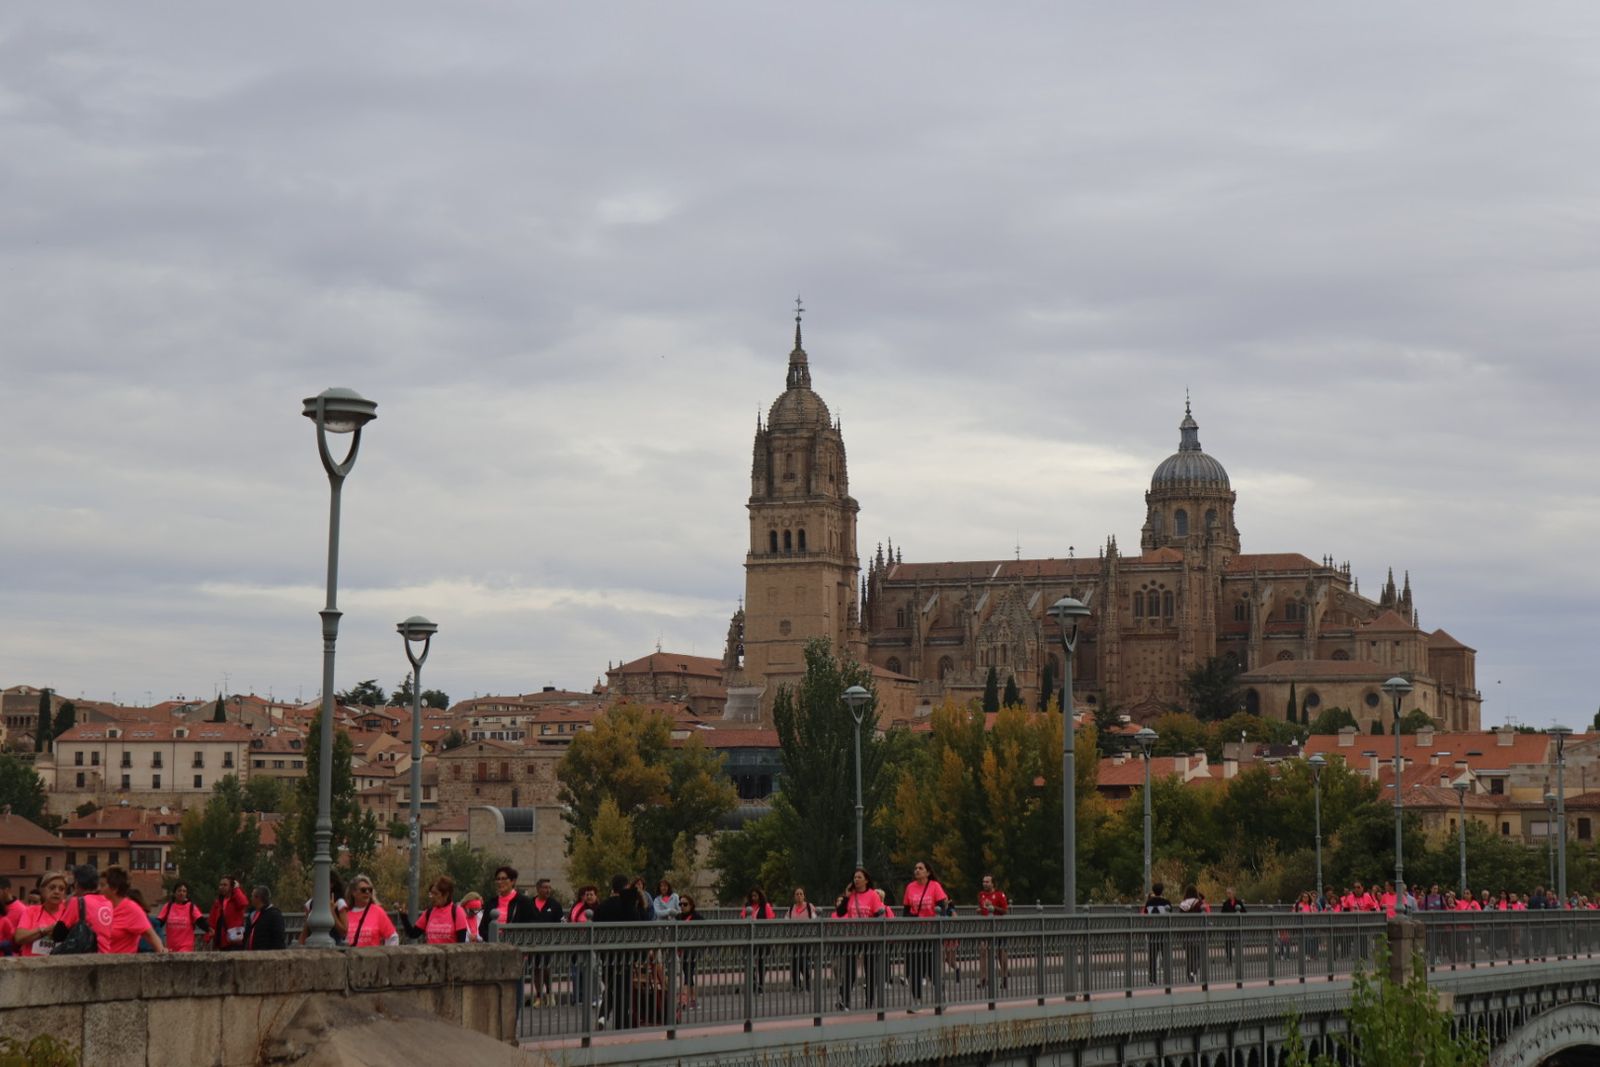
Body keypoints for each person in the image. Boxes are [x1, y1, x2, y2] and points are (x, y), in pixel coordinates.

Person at [56, 865, 164, 955]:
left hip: (118, 969)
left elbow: (152, 937)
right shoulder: (97, 905)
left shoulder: (132, 909)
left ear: (114, 889)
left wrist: (162, 956)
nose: (99, 888)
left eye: (103, 885)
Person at [593, 874, 647, 1029]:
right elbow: (638, 926)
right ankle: (621, 1020)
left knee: (610, 985)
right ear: (625, 887)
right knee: (624, 988)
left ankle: (603, 1016)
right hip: (626, 952)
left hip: (607, 952)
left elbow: (596, 927)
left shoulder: (602, 906)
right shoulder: (628, 905)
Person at [900, 861, 948, 1011]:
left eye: (920, 868)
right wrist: (911, 921)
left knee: (933, 969)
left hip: (932, 934)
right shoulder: (910, 887)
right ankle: (917, 1001)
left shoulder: (934, 886)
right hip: (915, 934)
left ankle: (941, 999)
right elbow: (906, 911)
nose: (917, 870)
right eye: (915, 868)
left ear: (928, 872)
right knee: (915, 969)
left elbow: (942, 907)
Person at [836, 868, 887, 1009]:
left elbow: (879, 915)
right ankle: (845, 1002)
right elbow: (840, 913)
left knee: (870, 971)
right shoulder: (852, 895)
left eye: (859, 877)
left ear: (866, 880)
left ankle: (869, 1003)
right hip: (853, 937)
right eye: (854, 877)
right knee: (849, 970)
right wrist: (846, 897)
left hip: (869, 938)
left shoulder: (872, 895)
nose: (856, 880)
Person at [399, 875, 470, 945]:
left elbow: (461, 944)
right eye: (431, 893)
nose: (432, 897)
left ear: (446, 895)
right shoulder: (428, 912)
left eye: (435, 894)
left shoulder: (457, 912)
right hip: (431, 955)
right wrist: (403, 916)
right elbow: (413, 934)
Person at [526, 878, 564, 1005]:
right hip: (533, 942)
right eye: (545, 887)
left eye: (549, 888)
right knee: (536, 969)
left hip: (548, 942)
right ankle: (538, 996)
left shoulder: (554, 905)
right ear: (538, 889)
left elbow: (561, 923)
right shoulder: (529, 904)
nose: (548, 890)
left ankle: (549, 993)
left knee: (546, 967)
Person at [14, 871, 69, 958]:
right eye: (52, 888)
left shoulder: (68, 912)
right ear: (42, 890)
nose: (57, 892)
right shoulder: (31, 911)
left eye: (61, 889)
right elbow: (19, 938)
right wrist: (45, 930)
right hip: (31, 964)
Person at [481, 866, 537, 942]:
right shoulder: (491, 902)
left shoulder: (524, 902)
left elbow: (532, 925)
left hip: (516, 946)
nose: (500, 882)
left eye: (504, 879)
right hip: (494, 947)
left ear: (513, 881)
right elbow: (482, 928)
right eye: (498, 879)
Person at [342, 874, 399, 947]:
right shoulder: (345, 913)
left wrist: (386, 955)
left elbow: (393, 937)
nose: (367, 892)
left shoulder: (377, 911)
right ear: (353, 893)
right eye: (363, 890)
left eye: (370, 890)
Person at [976, 874, 1010, 991]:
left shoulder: (1000, 894)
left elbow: (1005, 910)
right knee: (983, 951)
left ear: (993, 883)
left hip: (999, 927)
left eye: (987, 882)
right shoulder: (981, 895)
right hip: (986, 928)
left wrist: (993, 908)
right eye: (983, 882)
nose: (985, 884)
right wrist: (980, 910)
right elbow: (983, 909)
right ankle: (983, 979)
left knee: (1001, 953)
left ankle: (1004, 977)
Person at [740, 886, 776, 995]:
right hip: (750, 938)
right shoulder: (747, 906)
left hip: (762, 938)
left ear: (760, 896)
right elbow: (742, 917)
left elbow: (771, 920)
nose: (753, 898)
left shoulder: (766, 906)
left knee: (761, 962)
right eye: (752, 896)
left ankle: (760, 985)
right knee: (749, 961)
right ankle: (753, 982)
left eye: (755, 896)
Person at [297, 872, 349, 945]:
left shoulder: (339, 903)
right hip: (313, 946)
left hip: (335, 946)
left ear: (331, 884)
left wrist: (332, 913)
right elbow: (305, 931)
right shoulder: (310, 904)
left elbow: (343, 932)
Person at [155, 881, 208, 953]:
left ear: (186, 894)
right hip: (171, 947)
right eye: (179, 890)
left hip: (186, 946)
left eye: (184, 891)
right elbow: (159, 922)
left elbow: (200, 921)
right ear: (174, 893)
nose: (181, 893)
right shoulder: (168, 906)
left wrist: (209, 929)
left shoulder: (191, 907)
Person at [786, 886, 818, 992]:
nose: (799, 896)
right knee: (795, 961)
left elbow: (815, 920)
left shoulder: (809, 907)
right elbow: (786, 921)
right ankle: (796, 984)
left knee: (803, 961)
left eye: (801, 894)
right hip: (794, 939)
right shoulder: (791, 908)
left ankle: (807, 982)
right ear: (794, 897)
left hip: (806, 939)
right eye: (797, 894)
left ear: (804, 896)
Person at [676, 894, 704, 1009]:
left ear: (691, 905)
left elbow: (704, 930)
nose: (682, 906)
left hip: (693, 949)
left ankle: (683, 999)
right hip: (682, 949)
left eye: (685, 904)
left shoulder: (697, 917)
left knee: (688, 972)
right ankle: (693, 1000)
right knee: (688, 973)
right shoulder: (678, 917)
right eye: (680, 904)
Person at [1142, 881, 1173, 985]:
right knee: (1165, 956)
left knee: (1152, 957)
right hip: (1164, 932)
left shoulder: (1149, 903)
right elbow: (1170, 915)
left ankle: (1152, 980)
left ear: (1154, 891)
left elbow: (1145, 914)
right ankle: (1167, 979)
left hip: (1152, 932)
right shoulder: (1166, 902)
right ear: (1162, 891)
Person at [209, 874, 249, 951]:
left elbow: (244, 903)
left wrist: (237, 889)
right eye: (220, 885)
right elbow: (212, 920)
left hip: (234, 940)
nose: (222, 887)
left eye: (225, 885)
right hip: (221, 941)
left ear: (231, 887)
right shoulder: (218, 902)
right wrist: (208, 936)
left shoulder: (236, 900)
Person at [1176, 885, 1206, 981]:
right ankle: (1194, 971)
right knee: (1199, 954)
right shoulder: (1198, 903)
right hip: (1197, 931)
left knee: (1189, 955)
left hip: (1186, 932)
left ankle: (1189, 973)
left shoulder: (1183, 904)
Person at [245, 886, 286, 950]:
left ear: (258, 898)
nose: (251, 898)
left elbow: (278, 938)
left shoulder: (274, 915)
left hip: (265, 954)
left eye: (252, 896)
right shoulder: (252, 914)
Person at [1219, 886, 1246, 967]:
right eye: (1227, 893)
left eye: (1229, 893)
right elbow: (1222, 914)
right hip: (1229, 926)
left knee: (1238, 943)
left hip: (1237, 926)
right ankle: (1229, 959)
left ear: (1233, 893)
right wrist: (1223, 923)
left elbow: (1244, 912)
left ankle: (1239, 959)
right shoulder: (1225, 903)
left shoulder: (1239, 902)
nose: (1228, 895)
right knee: (1228, 944)